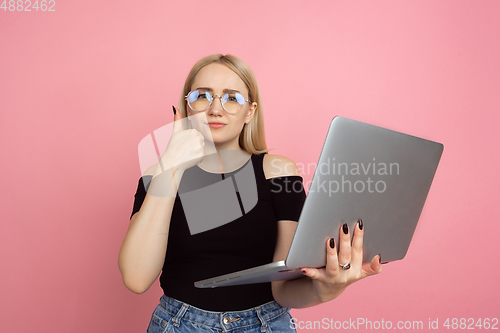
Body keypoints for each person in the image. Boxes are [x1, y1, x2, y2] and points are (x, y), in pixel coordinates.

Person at [118, 54, 382, 333]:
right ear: (186, 105)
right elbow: (136, 278)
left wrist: (326, 289)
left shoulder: (278, 172)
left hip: (265, 325)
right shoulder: (156, 174)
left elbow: (284, 289)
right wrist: (170, 168)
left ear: (250, 112)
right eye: (202, 96)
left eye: (232, 98)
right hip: (178, 325)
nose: (215, 109)